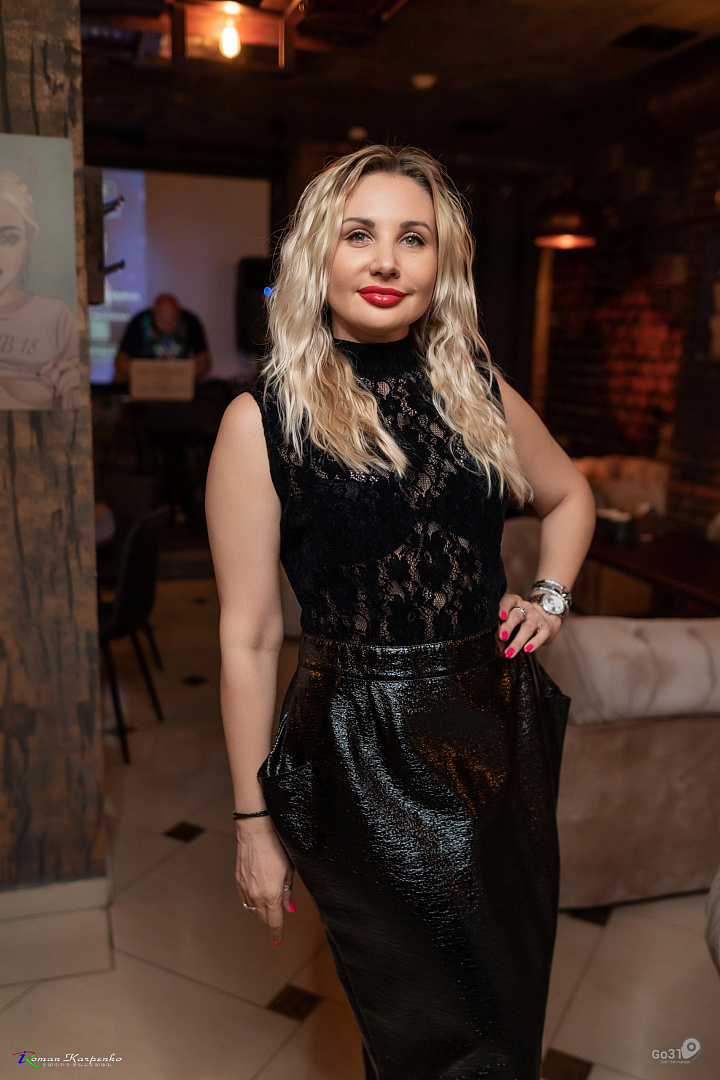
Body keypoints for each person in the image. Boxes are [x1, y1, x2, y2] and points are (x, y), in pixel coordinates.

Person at [205, 145, 596, 1080]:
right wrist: (253, 822)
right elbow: (249, 637)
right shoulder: (263, 420)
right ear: (319, 255)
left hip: (496, 727)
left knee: (504, 1003)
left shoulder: (477, 389)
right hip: (361, 747)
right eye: (360, 235)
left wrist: (549, 597)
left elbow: (570, 495)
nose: (387, 260)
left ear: (440, 262)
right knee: (424, 1026)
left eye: (412, 238)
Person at [0, 167, 81, 409]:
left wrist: (76, 389)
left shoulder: (57, 318)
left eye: (9, 238)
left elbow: (74, 413)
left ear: (27, 241)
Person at [113, 293, 211, 382]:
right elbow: (120, 360)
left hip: (179, 383)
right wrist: (145, 373)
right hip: (145, 382)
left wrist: (184, 373)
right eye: (163, 320)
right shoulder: (140, 322)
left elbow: (204, 361)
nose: (168, 325)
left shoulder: (190, 322)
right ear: (153, 314)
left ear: (179, 314)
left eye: (172, 320)